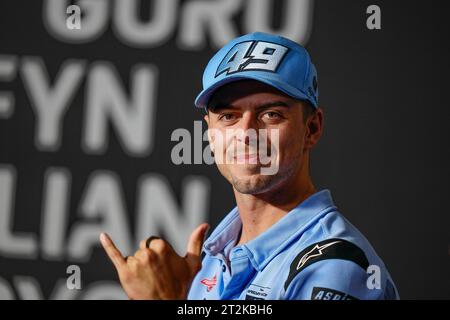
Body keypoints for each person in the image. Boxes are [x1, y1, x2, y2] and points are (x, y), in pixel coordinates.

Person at [100, 32, 399, 300]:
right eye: (228, 116)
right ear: (209, 132)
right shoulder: (213, 260)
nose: (246, 133)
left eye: (270, 114)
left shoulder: (337, 266)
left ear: (312, 128)